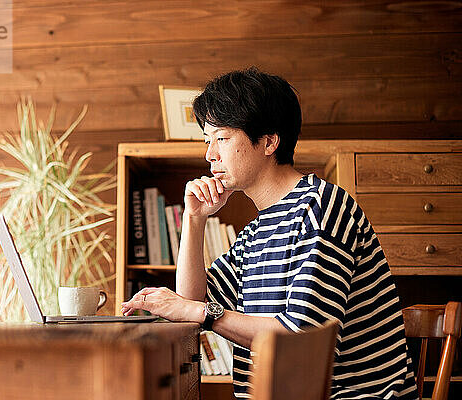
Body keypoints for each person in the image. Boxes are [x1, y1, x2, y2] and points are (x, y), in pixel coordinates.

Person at [121, 67, 418, 399]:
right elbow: (192, 302)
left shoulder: (321, 208)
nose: (209, 155)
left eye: (221, 137)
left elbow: (297, 341)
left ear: (268, 141)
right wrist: (194, 220)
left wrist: (198, 312)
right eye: (208, 141)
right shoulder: (256, 232)